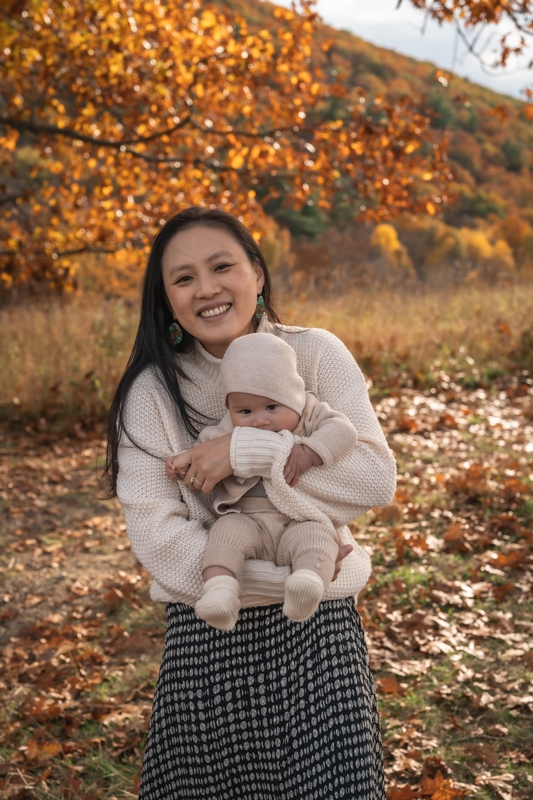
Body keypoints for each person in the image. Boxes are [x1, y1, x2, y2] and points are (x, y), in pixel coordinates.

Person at [106, 206, 396, 800]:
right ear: (166, 299)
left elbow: (372, 479)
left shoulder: (315, 355)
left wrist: (246, 452)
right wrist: (283, 572)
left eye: (222, 266)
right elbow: (161, 541)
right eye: (183, 278)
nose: (206, 289)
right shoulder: (152, 394)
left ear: (257, 274)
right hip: (206, 636)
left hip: (317, 635)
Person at [167, 332, 360, 630]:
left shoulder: (310, 413)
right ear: (231, 408)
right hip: (248, 521)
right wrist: (185, 467)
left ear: (293, 396)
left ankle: (306, 584)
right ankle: (220, 590)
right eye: (245, 411)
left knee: (318, 539)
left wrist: (309, 451)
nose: (258, 420)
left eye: (271, 407)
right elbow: (205, 456)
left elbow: (344, 431)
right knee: (223, 536)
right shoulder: (226, 430)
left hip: (299, 519)